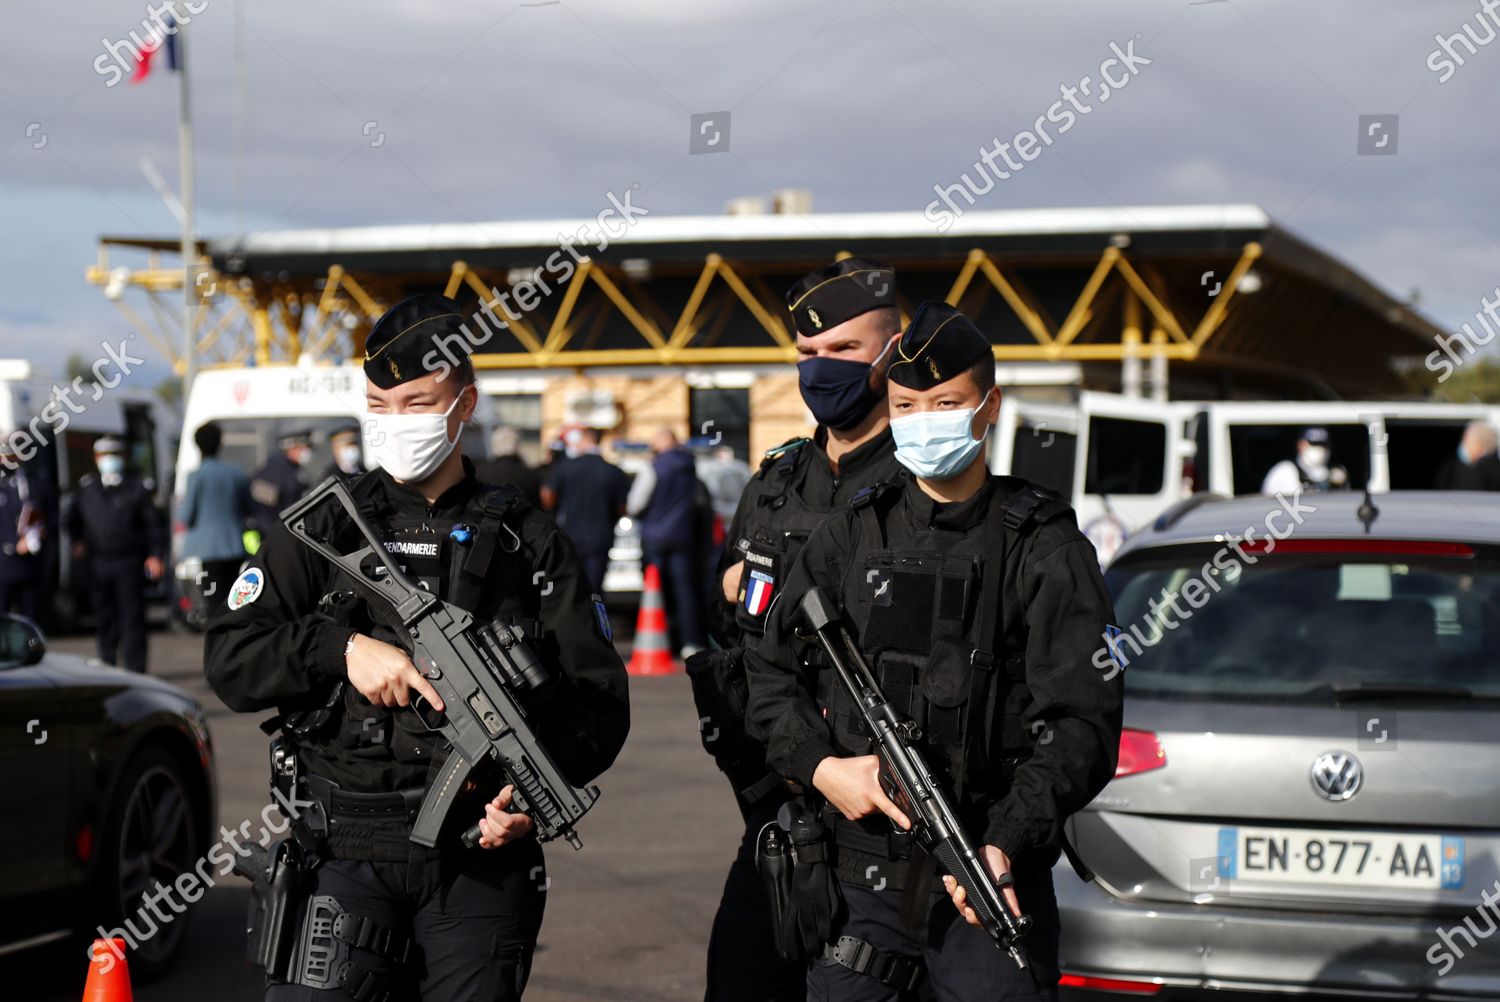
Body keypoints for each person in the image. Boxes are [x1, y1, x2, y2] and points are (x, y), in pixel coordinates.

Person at [205, 293, 630, 1002]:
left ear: (463, 405)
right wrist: (339, 649)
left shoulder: (528, 540)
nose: (395, 423)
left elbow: (596, 699)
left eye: (417, 403)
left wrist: (527, 795)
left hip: (479, 861)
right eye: (379, 404)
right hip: (342, 850)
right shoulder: (322, 528)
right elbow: (231, 659)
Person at [743, 302, 1123, 1001]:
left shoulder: (1043, 547)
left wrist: (1006, 837)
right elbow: (768, 675)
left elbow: (1084, 723)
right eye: (907, 404)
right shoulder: (850, 536)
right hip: (857, 887)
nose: (925, 420)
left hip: (986, 876)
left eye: (946, 402)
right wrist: (824, 768)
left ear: (990, 407)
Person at [696, 257, 907, 1002]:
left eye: (845, 351)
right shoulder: (777, 479)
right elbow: (734, 613)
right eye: (808, 354)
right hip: (780, 809)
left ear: (894, 346)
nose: (822, 370)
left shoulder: (923, 483)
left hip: (885, 818)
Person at [67, 436, 165, 673]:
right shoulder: (87, 488)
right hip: (98, 563)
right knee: (104, 620)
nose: (109, 460)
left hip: (128, 563)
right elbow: (70, 520)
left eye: (114, 454)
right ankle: (107, 668)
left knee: (132, 620)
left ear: (124, 457)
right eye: (104, 455)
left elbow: (154, 525)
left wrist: (155, 555)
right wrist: (78, 541)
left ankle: (136, 671)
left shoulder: (137, 487)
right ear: (96, 459)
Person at [628, 427, 710, 658]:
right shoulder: (690, 465)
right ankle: (691, 641)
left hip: (655, 537)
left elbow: (636, 503)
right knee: (686, 591)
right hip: (683, 537)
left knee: (656, 593)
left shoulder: (653, 467)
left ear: (661, 442)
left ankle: (661, 641)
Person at [180, 421, 254, 619]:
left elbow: (186, 515)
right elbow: (250, 507)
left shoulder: (195, 476)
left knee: (213, 597)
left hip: (208, 549)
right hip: (233, 544)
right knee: (234, 596)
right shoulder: (236, 472)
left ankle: (216, 637)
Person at [540, 427, 628, 592]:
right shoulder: (613, 472)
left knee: (571, 588)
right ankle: (595, 618)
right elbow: (622, 508)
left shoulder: (565, 468)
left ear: (585, 440)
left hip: (570, 536)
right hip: (600, 537)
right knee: (595, 590)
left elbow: (548, 498)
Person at [0, 441, 52, 621]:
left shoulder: (36, 483)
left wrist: (42, 532)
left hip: (31, 565)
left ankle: (30, 649)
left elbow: (50, 515)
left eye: (12, 455)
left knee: (29, 620)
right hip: (4, 563)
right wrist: (14, 544)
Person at [251, 429, 314, 537]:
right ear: (292, 448)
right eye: (304, 448)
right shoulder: (277, 473)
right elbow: (266, 513)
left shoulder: (293, 471)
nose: (307, 452)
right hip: (273, 535)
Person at [1261, 426, 1346, 494]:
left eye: (1323, 445)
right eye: (1314, 444)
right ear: (1301, 445)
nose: (1320, 449)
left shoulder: (1337, 473)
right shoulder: (1284, 471)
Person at [475, 426, 543, 508]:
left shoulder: (479, 473)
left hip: (484, 520)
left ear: (494, 446)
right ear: (517, 446)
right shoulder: (531, 475)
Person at [1436, 420, 1500, 491]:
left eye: (1466, 440)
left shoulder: (1476, 474)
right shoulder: (1495, 467)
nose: (1464, 445)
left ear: (1479, 444)